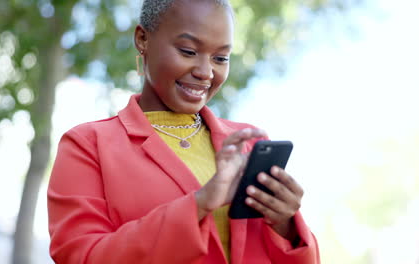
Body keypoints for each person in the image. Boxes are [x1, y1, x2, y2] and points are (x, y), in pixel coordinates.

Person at [47, 0, 320, 263]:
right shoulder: (88, 145)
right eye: (188, 51)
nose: (206, 72)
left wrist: (287, 225)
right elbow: (81, 256)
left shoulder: (248, 144)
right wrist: (200, 203)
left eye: (221, 57)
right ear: (143, 39)